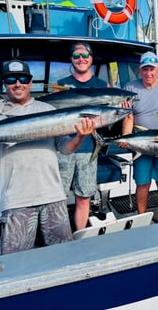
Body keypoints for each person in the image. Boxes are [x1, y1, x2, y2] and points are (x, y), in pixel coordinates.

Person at [0, 59, 96, 254]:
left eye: (23, 78)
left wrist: (80, 137)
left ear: (30, 82)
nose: (18, 83)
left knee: (63, 255)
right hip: (16, 200)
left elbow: (64, 148)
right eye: (11, 79)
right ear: (4, 83)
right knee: (14, 261)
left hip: (53, 195)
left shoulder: (47, 111)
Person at [120, 51, 158, 222]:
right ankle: (141, 220)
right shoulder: (130, 87)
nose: (148, 73)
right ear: (140, 70)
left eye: (152, 69)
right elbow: (128, 116)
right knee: (142, 183)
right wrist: (126, 137)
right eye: (145, 69)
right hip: (141, 143)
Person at [54, 42, 109, 230]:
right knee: (58, 197)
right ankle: (60, 236)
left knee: (84, 197)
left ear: (92, 58)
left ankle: (79, 234)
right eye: (76, 56)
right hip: (65, 149)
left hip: (88, 150)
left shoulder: (103, 86)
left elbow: (110, 116)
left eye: (85, 55)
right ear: (71, 59)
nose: (81, 59)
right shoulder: (61, 86)